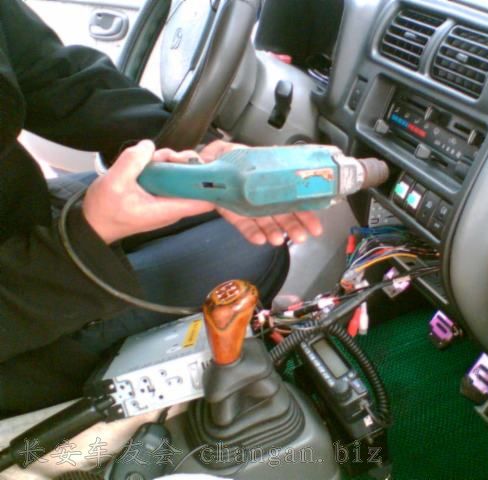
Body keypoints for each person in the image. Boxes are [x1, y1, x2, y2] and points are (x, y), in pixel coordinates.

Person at [0, 0, 322, 415]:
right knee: (254, 251)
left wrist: (194, 150)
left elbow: (55, 76)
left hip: (20, 211)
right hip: (21, 316)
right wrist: (84, 239)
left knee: (225, 203)